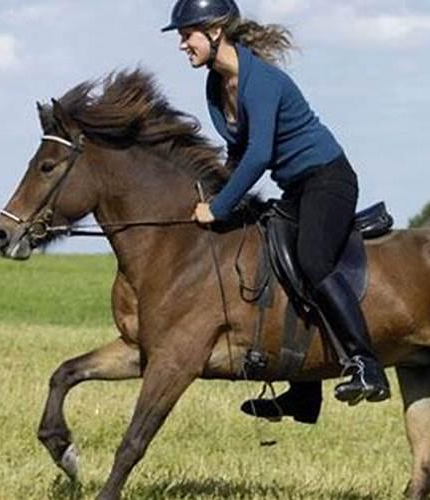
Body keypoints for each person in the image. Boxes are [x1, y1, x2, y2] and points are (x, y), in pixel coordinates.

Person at [162, 0, 390, 418]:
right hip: (296, 191)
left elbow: (259, 154)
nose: (181, 44)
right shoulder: (216, 85)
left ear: (214, 31)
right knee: (274, 263)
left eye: (186, 34)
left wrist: (220, 207)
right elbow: (235, 152)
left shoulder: (261, 82)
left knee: (313, 260)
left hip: (328, 180)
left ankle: (367, 365)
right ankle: (304, 393)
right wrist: (210, 193)